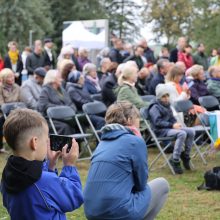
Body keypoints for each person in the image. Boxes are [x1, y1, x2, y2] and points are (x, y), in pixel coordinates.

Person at [83, 101, 169, 220]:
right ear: (129, 120)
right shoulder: (134, 141)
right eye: (138, 118)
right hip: (118, 212)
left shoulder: (101, 144)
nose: (140, 123)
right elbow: (141, 184)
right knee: (162, 184)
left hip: (91, 212)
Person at [1, 108, 83, 219]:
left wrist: (50, 166)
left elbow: (39, 195)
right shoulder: (45, 181)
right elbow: (74, 197)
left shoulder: (8, 175)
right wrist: (69, 166)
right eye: (45, 140)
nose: (47, 144)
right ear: (34, 142)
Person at [147, 84, 196, 174]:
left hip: (169, 128)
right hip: (160, 131)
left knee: (191, 131)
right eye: (163, 96)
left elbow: (171, 118)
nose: (166, 98)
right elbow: (157, 122)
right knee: (182, 134)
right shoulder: (154, 107)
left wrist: (175, 123)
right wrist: (172, 125)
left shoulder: (167, 105)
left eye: (167, 96)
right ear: (159, 97)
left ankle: (185, 155)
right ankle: (175, 159)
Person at [37, 69, 76, 135]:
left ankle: (77, 144)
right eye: (59, 77)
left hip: (65, 117)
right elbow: (43, 106)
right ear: (53, 79)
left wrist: (71, 109)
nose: (61, 79)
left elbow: (70, 103)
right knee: (65, 127)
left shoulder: (62, 90)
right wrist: (61, 109)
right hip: (50, 119)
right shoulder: (45, 90)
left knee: (77, 124)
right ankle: (66, 145)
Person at [0, 68, 21, 153]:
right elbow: (1, 103)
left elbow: (21, 101)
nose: (12, 78)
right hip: (2, 113)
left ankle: (20, 144)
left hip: (16, 111)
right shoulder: (0, 88)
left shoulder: (17, 87)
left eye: (12, 76)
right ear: (4, 79)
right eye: (9, 77)